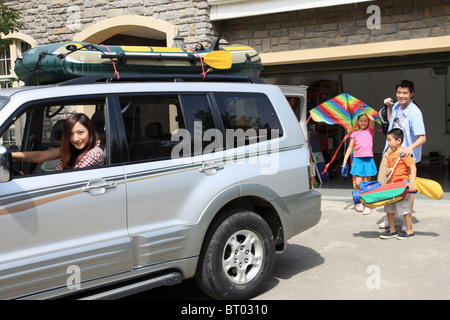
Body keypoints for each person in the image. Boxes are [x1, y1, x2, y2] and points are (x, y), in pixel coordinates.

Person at [377, 80, 426, 230]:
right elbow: (393, 122)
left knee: (406, 188)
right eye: (399, 92)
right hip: (389, 151)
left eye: (405, 93)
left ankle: (406, 220)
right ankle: (392, 218)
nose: (401, 95)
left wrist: (409, 147)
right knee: (385, 185)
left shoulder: (415, 112)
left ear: (411, 94)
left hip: (404, 155)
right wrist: (389, 106)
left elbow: (422, 137)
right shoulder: (397, 106)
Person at [12, 113, 104, 171]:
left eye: (80, 132)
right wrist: (10, 155)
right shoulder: (70, 150)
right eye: (70, 134)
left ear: (90, 132)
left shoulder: (95, 153)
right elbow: (40, 156)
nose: (75, 139)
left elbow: (71, 180)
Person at [380, 128, 416, 240]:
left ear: (398, 140)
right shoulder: (390, 154)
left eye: (390, 140)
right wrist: (389, 171)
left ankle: (409, 231)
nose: (388, 143)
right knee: (389, 208)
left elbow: (412, 167)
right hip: (391, 187)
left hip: (402, 187)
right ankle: (392, 230)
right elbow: (389, 168)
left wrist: (412, 182)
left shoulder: (405, 153)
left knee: (405, 209)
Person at [343, 103, 377, 215]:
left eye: (365, 121)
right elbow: (349, 148)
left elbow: (372, 119)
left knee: (367, 183)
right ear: (358, 122)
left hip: (368, 159)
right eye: (361, 121)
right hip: (358, 159)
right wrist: (344, 161)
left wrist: (364, 110)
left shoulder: (370, 131)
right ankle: (358, 201)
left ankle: (368, 204)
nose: (363, 123)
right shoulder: (354, 133)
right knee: (357, 183)